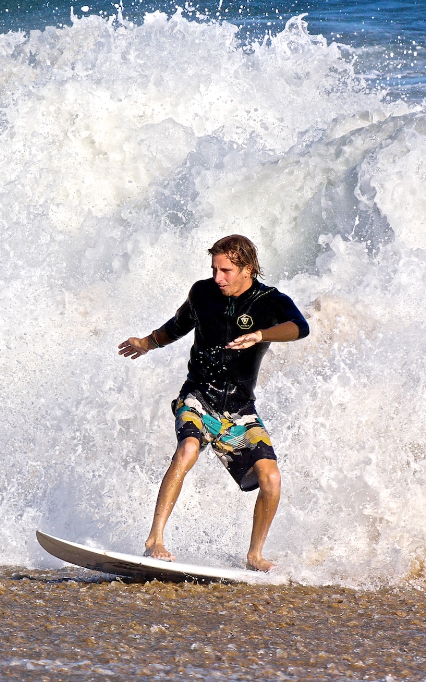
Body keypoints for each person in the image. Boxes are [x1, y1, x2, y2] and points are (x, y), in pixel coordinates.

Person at [118, 235, 309, 571]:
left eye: (226, 270)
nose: (218, 277)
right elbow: (177, 326)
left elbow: (300, 327)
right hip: (198, 396)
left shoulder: (268, 301)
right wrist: (146, 343)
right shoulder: (203, 293)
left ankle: (254, 555)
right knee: (188, 449)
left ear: (248, 269)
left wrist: (262, 334)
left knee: (272, 479)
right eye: (214, 269)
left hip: (239, 410)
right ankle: (155, 539)